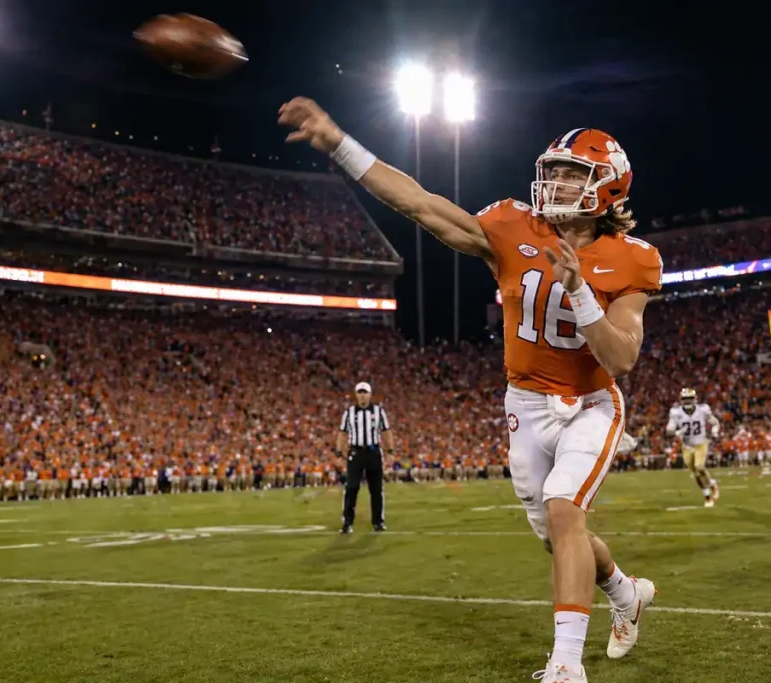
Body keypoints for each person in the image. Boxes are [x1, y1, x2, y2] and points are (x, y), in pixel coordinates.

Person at [279, 100, 661, 683]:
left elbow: (622, 358)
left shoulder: (632, 258)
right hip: (525, 404)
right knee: (557, 536)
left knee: (565, 511)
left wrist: (581, 293)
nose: (555, 182)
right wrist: (339, 144)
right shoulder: (513, 226)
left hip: (590, 402)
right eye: (552, 170)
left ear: (608, 186)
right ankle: (624, 591)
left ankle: (564, 666)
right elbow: (422, 205)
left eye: (571, 173)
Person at [337, 382, 394, 534]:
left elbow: (386, 431)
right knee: (352, 487)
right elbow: (342, 433)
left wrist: (390, 451)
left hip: (373, 452)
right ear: (356, 395)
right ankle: (347, 522)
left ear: (370, 394)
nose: (362, 395)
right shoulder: (349, 412)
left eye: (365, 392)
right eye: (360, 392)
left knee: (376, 489)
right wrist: (338, 452)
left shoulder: (378, 411)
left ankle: (378, 522)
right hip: (355, 453)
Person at [665, 388, 720, 507]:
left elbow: (715, 422)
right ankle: (709, 489)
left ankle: (709, 496)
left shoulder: (703, 410)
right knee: (696, 474)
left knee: (699, 467)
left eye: (690, 398)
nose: (688, 401)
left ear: (695, 399)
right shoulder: (675, 412)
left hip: (701, 443)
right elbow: (670, 428)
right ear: (681, 400)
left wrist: (715, 431)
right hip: (687, 446)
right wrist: (674, 431)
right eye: (685, 399)